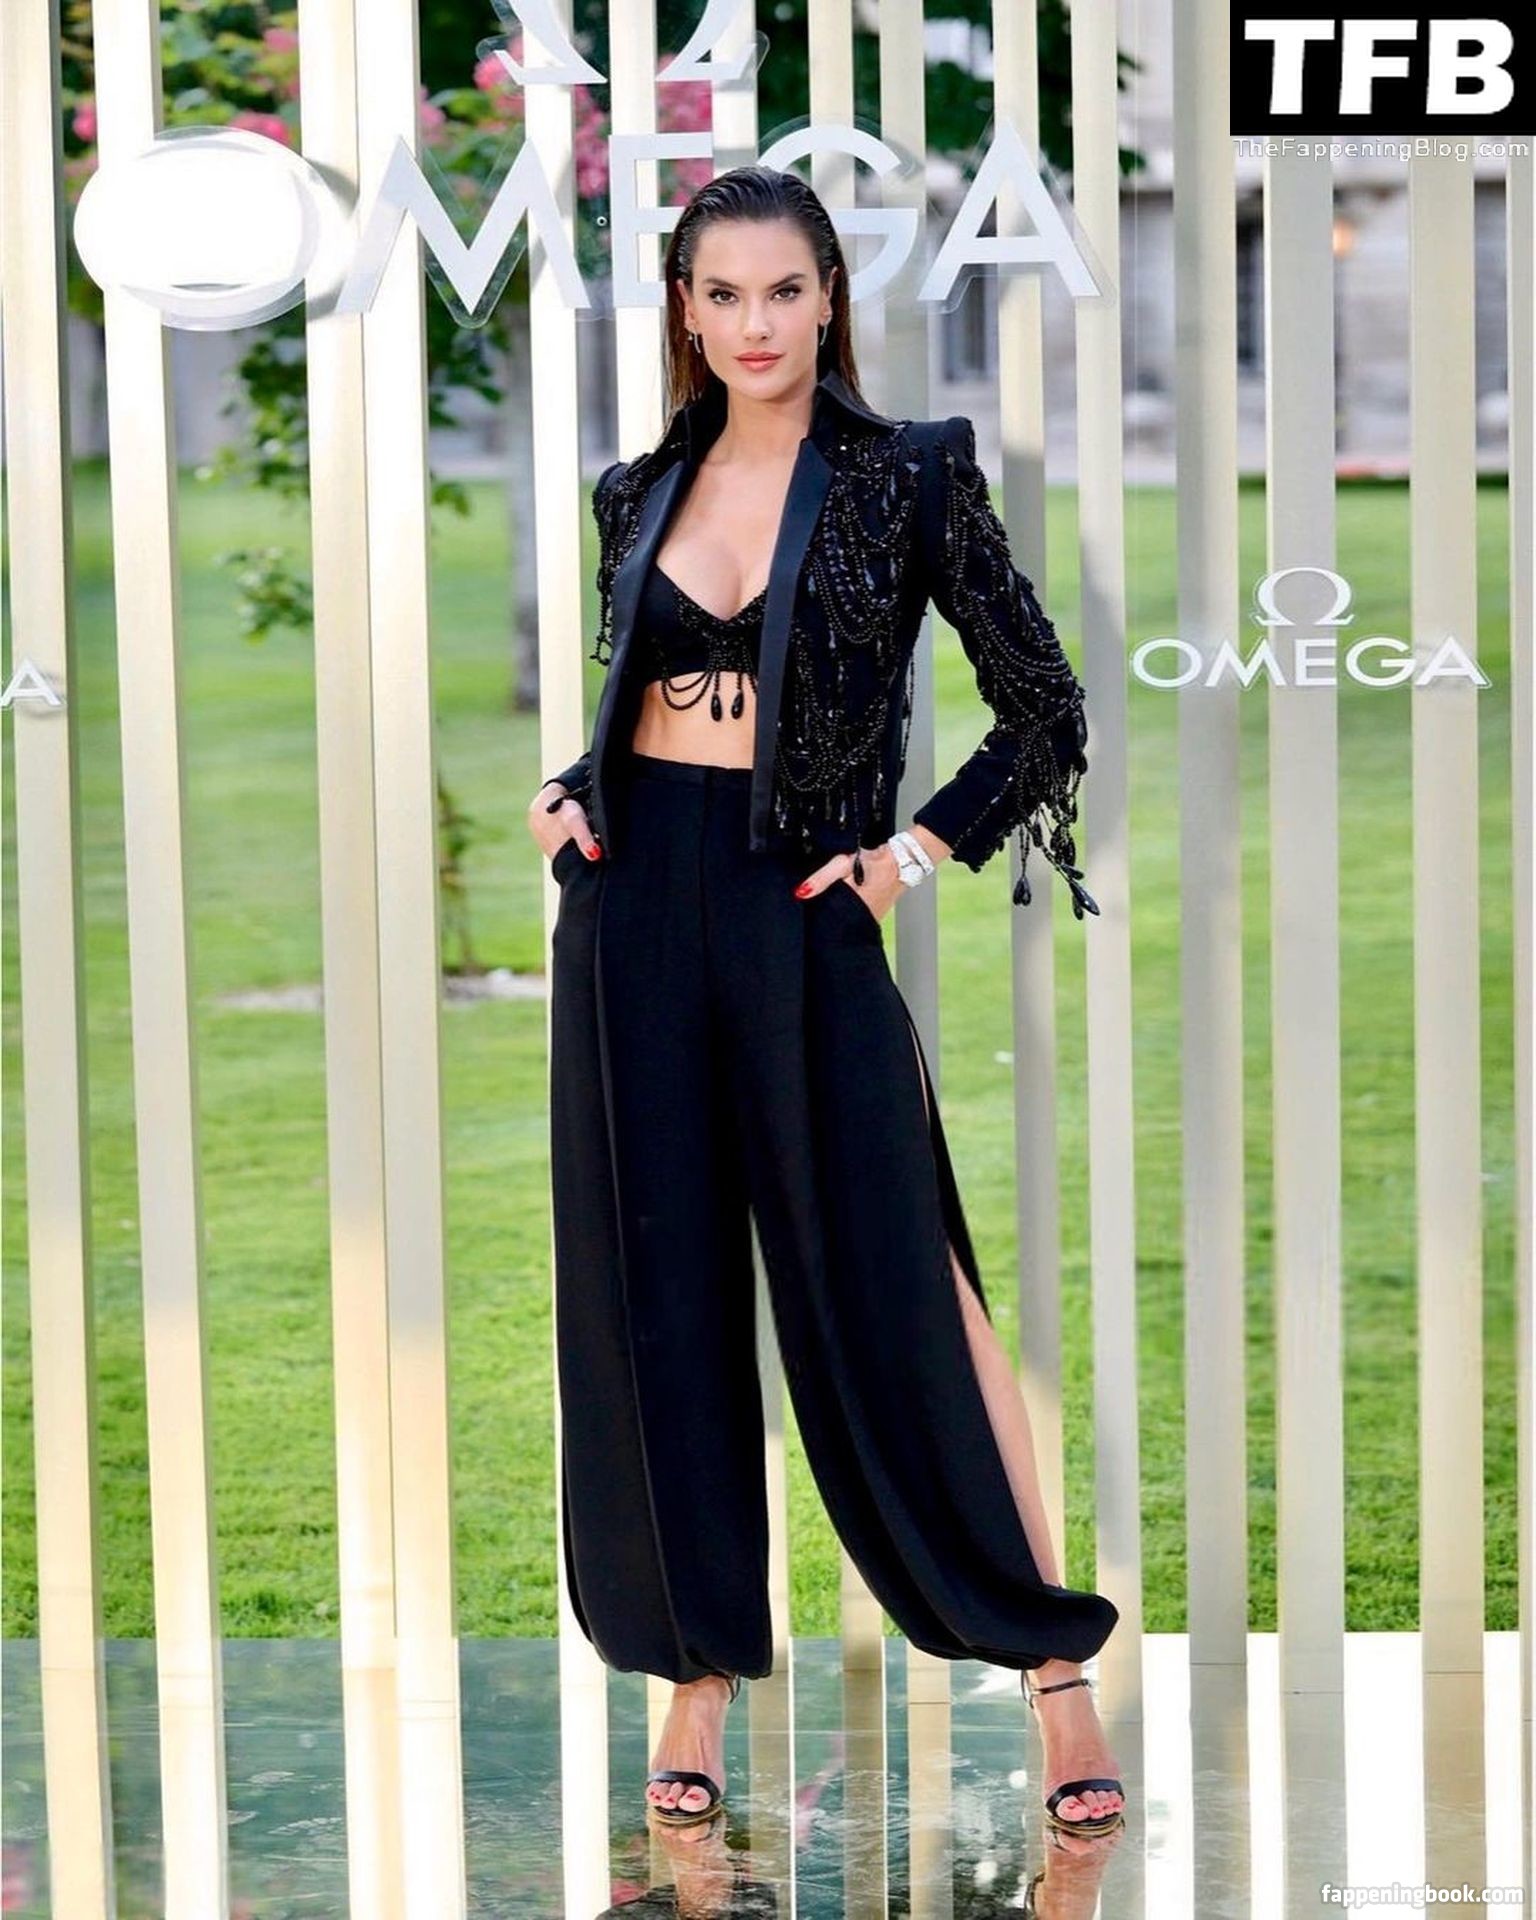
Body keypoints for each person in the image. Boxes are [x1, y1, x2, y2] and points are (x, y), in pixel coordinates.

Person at [528, 165, 1125, 1843]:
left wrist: (913, 852)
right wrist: (573, 793)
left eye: (783, 291)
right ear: (684, 309)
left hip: (802, 908)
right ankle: (696, 1674)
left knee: (907, 1282)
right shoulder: (638, 486)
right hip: (635, 910)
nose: (754, 325)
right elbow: (651, 702)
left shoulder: (905, 473)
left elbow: (1045, 708)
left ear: (828, 298)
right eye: (721, 295)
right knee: (657, 1296)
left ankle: (1052, 1664)